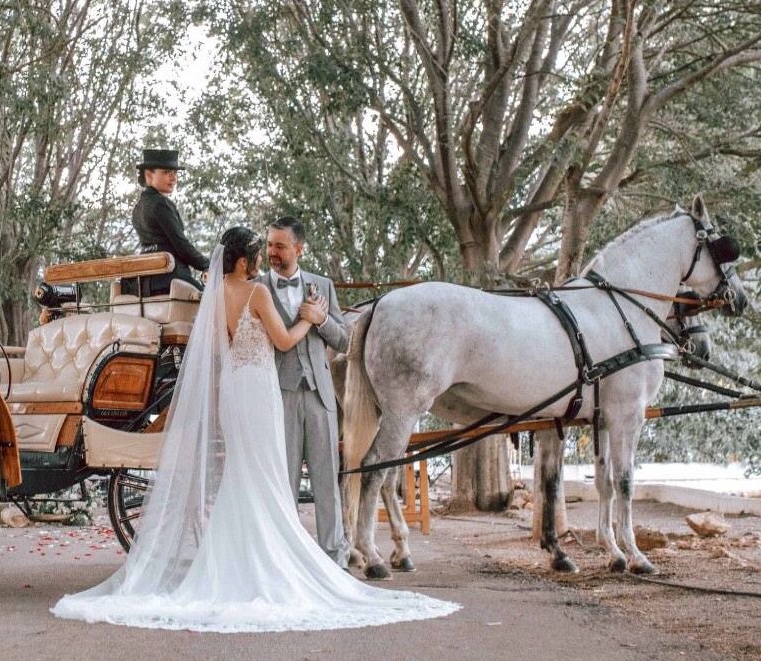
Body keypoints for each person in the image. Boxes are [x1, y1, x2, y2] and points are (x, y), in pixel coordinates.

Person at [51, 227, 459, 633]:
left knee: (246, 472)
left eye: (277, 247)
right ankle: (272, 559)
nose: (266, 257)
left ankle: (249, 558)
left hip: (238, 387)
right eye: (261, 252)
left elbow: (220, 351)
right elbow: (283, 342)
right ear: (245, 260)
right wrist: (309, 319)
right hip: (262, 387)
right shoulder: (257, 292)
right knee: (266, 474)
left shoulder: (216, 295)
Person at [260, 217, 351, 566]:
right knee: (284, 482)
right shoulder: (257, 288)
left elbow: (344, 341)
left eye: (280, 246)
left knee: (326, 479)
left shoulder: (322, 285)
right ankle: (288, 561)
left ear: (299, 249)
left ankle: (335, 560)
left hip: (320, 395)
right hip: (279, 394)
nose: (272, 252)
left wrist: (322, 320)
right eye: (270, 244)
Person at [129, 148, 208, 297]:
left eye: (175, 173)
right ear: (149, 174)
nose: (173, 178)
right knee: (212, 299)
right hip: (170, 279)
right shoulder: (161, 204)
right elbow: (182, 247)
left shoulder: (138, 207)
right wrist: (209, 265)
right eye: (166, 172)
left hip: (145, 283)